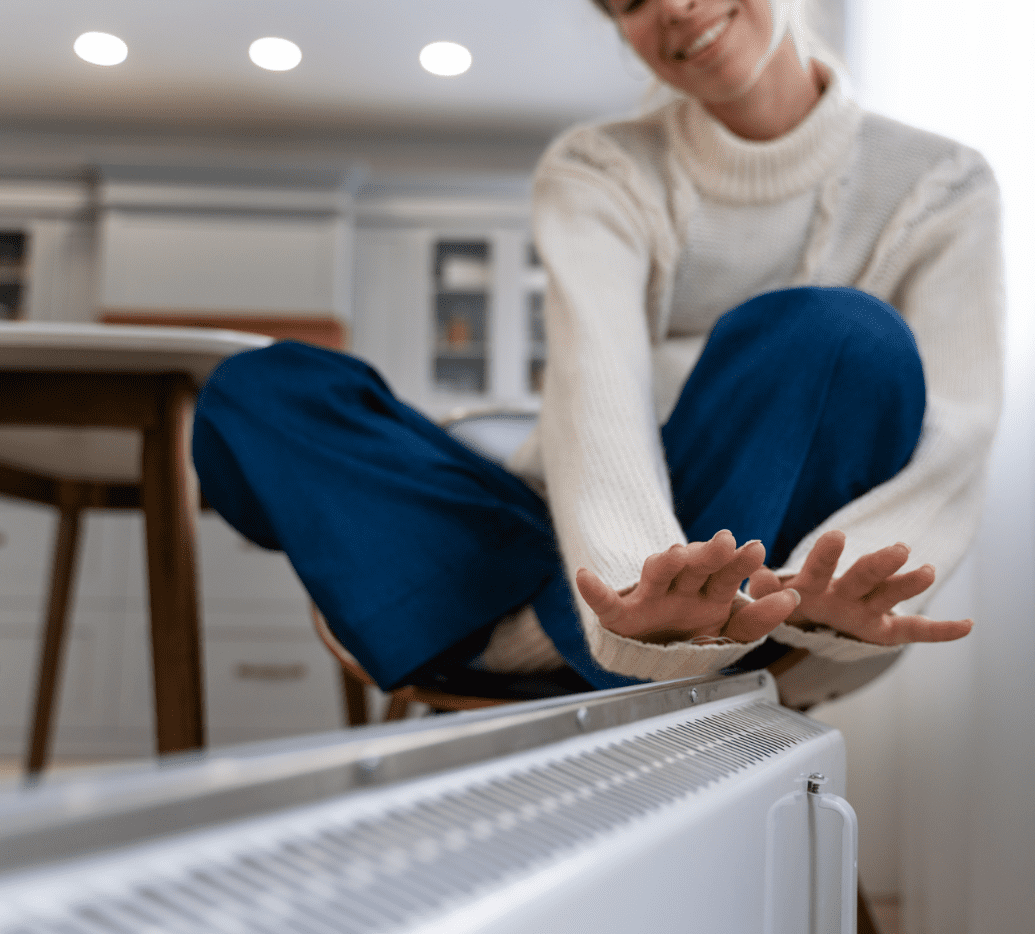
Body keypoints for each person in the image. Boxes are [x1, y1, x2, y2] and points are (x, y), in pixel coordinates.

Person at [192, 0, 1003, 708]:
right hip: (561, 531)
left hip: (762, 578)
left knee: (839, 336)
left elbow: (956, 428)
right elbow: (597, 380)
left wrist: (853, 574)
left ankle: (507, 625)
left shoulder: (939, 185)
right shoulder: (599, 167)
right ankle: (577, 620)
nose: (675, 8)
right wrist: (623, 585)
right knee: (262, 386)